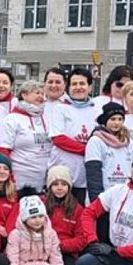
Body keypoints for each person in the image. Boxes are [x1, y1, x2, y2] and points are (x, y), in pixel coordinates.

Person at [49, 67, 98, 202]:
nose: (78, 87)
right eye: (74, 84)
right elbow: (58, 139)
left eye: (82, 84)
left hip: (86, 177)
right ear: (68, 88)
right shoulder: (60, 109)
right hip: (62, 176)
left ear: (90, 87)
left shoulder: (97, 110)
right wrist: (88, 150)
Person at [0, 80, 52, 193]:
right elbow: (3, 150)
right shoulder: (12, 119)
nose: (41, 96)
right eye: (36, 93)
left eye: (42, 93)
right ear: (24, 95)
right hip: (20, 180)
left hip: (43, 181)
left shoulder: (47, 117)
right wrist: (9, 178)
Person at [45, 165, 88, 265]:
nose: (59, 188)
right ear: (49, 186)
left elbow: (82, 239)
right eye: (55, 184)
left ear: (69, 187)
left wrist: (60, 245)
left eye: (63, 184)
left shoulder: (78, 209)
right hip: (41, 249)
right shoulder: (41, 203)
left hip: (65, 251)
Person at [85, 103, 133, 203]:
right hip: (104, 196)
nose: (116, 123)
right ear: (105, 121)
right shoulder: (96, 140)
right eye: (113, 119)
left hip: (125, 197)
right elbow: (93, 173)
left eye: (120, 119)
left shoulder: (128, 142)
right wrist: (96, 201)